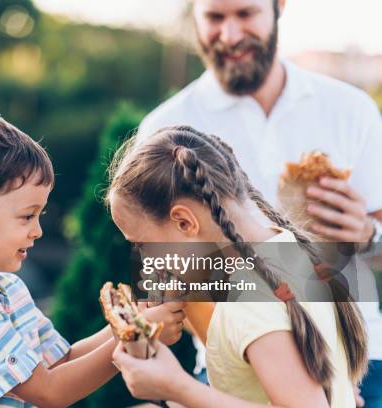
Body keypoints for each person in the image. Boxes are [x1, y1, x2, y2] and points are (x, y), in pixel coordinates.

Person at [137, 0, 382, 403]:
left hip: (358, 357)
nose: (230, 35)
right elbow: (163, 266)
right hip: (233, 363)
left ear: (279, 7)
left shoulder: (351, 109)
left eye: (245, 14)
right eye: (215, 18)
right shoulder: (165, 128)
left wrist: (368, 234)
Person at [0, 98, 186, 407]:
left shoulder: (6, 287)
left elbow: (59, 361)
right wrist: (138, 334)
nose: (38, 231)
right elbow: (49, 392)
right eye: (27, 216)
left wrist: (132, 320)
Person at [108, 126, 368, 407]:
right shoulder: (288, 251)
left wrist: (177, 387)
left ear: (185, 222)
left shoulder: (250, 299)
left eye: (143, 245)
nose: (146, 262)